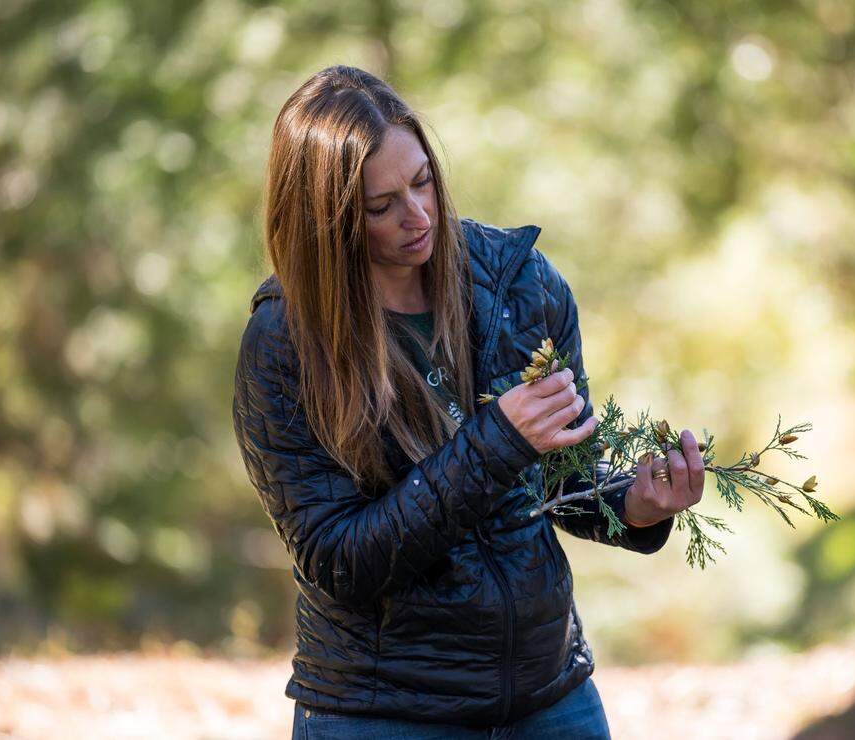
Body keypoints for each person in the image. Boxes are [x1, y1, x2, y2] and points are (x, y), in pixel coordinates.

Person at [231, 65, 706, 740]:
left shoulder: (518, 282)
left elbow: (563, 485)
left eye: (423, 181)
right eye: (381, 205)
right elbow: (340, 562)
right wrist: (498, 442)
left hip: (548, 697)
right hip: (385, 711)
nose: (418, 215)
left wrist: (637, 504)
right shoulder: (285, 341)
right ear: (326, 218)